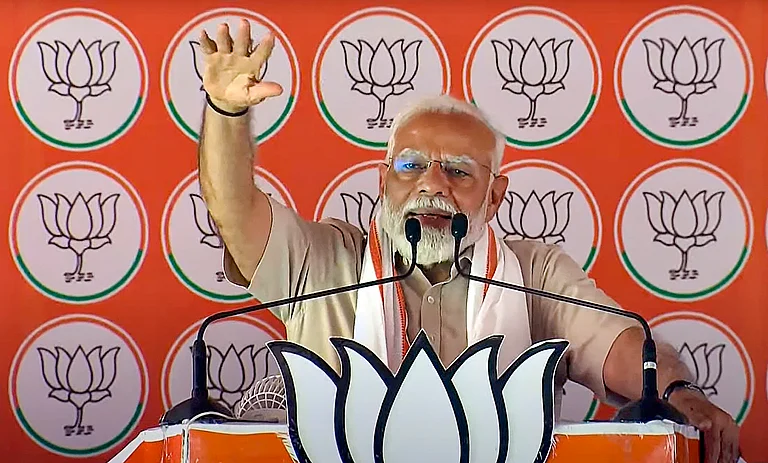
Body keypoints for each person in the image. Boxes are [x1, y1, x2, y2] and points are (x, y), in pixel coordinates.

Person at [195, 19, 740, 463]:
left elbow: (630, 352)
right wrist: (225, 111)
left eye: (458, 171)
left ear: (496, 196)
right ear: (382, 181)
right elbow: (232, 207)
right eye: (410, 167)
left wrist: (678, 393)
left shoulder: (537, 275)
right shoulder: (322, 260)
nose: (432, 185)